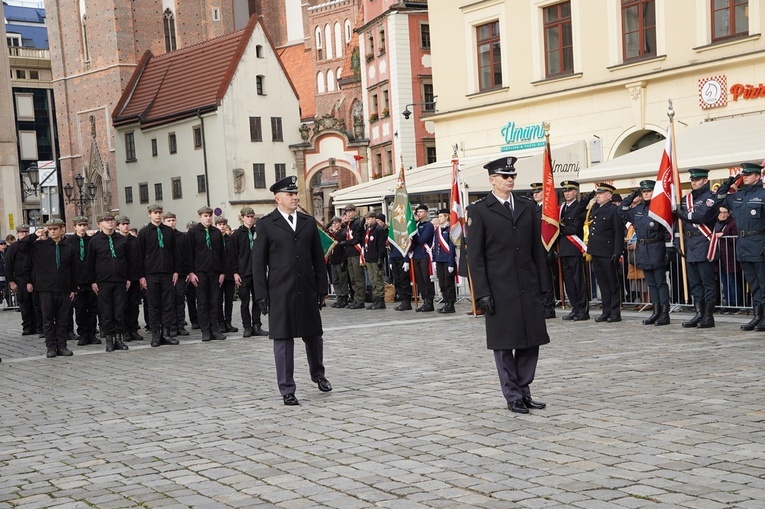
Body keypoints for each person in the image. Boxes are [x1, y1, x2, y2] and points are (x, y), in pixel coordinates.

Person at [467, 156, 550, 414]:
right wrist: (482, 292)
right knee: (504, 345)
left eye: (512, 176)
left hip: (527, 285)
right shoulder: (480, 210)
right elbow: (475, 257)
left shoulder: (526, 207)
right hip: (499, 289)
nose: (510, 180)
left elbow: (537, 249)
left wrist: (544, 285)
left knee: (530, 341)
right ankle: (512, 394)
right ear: (492, 180)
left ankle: (524, 391)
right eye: (505, 176)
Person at [252, 175, 332, 406]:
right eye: (290, 194)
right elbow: (258, 263)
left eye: (296, 194)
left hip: (306, 289)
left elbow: (318, 258)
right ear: (278, 198)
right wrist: (261, 295)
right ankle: (287, 388)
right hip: (280, 291)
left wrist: (321, 287)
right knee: (283, 340)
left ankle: (318, 374)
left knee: (314, 336)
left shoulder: (308, 222)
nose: (295, 197)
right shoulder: (266, 224)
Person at [716, 162, 765, 331]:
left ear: (758, 176)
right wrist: (729, 183)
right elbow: (719, 199)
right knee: (753, 284)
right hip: (743, 245)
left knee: (763, 284)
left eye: (748, 175)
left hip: (759, 244)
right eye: (743, 175)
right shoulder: (739, 195)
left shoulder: (763, 195)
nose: (745, 177)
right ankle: (757, 316)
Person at [18, 219, 77, 358]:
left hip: (63, 289)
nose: (53, 231)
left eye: (56, 229)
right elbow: (21, 247)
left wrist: (73, 289)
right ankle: (51, 347)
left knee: (63, 320)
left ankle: (62, 346)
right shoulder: (39, 246)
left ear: (62, 229)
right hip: (45, 289)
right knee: (48, 320)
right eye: (50, 229)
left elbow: (73, 270)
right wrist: (35, 235)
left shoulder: (69, 248)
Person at [619, 180, 671, 325]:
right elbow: (621, 211)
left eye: (649, 191)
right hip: (643, 248)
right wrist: (632, 196)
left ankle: (664, 313)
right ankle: (655, 312)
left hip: (657, 247)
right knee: (651, 284)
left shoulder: (659, 208)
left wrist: (668, 249)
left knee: (660, 283)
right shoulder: (638, 209)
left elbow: (667, 230)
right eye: (644, 192)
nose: (646, 194)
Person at [677, 168, 719, 328]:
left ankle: (708, 316)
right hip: (689, 244)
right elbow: (678, 224)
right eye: (692, 179)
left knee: (707, 282)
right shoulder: (685, 199)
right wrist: (677, 241)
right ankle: (699, 314)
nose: (694, 182)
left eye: (697, 179)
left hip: (703, 242)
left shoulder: (710, 198)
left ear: (705, 181)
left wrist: (683, 214)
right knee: (694, 283)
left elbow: (702, 217)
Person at [137, 203, 181, 347]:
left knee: (168, 304)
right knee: (153, 304)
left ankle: (166, 333)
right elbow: (139, 255)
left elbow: (175, 252)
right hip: (151, 273)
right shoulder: (144, 232)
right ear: (149, 214)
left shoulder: (168, 231)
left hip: (167, 272)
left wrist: (175, 271)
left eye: (159, 212)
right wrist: (142, 276)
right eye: (154, 212)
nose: (157, 215)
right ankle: (156, 334)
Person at [87, 212, 131, 352]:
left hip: (120, 280)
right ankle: (109, 339)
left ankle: (119, 339)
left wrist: (128, 278)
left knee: (119, 310)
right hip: (103, 281)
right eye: (106, 221)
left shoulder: (122, 239)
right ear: (100, 224)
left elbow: (129, 260)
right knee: (106, 311)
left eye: (111, 220)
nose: (110, 223)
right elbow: (90, 262)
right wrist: (93, 281)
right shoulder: (95, 241)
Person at [186, 207, 226, 342]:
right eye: (205, 215)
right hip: (200, 272)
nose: (208, 218)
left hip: (214, 272)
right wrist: (191, 272)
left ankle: (214, 329)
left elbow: (221, 253)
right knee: (202, 302)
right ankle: (205, 331)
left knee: (214, 302)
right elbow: (189, 253)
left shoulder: (216, 233)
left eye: (209, 215)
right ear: (200, 217)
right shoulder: (193, 232)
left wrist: (222, 272)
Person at [587, 183, 625, 323]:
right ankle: (606, 310)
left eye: (601, 194)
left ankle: (615, 312)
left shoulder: (614, 210)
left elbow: (618, 233)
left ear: (609, 196)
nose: (598, 196)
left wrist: (617, 251)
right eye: (597, 194)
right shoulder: (596, 209)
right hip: (596, 250)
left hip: (608, 252)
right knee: (602, 283)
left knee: (612, 283)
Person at [230, 207, 268, 337]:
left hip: (257, 272)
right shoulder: (236, 235)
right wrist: (235, 272)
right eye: (248, 217)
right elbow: (233, 255)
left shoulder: (259, 232)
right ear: (242, 218)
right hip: (243, 272)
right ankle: (247, 327)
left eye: (252, 217)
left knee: (258, 301)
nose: (250, 219)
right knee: (245, 302)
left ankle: (256, 325)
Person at [557, 181, 590, 321]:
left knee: (579, 281)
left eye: (570, 190)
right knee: (569, 282)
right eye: (565, 191)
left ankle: (583, 310)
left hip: (575, 249)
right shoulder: (561, 208)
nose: (567, 193)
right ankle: (575, 308)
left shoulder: (578, 207)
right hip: (564, 249)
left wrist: (559, 230)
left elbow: (575, 229)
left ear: (576, 192)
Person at [65, 216, 100, 346]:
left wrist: (94, 279)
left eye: (84, 225)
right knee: (80, 309)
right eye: (80, 225)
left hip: (90, 280)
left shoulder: (91, 241)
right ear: (74, 227)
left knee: (92, 308)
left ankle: (92, 333)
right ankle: (83, 334)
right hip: (77, 281)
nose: (82, 227)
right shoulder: (69, 242)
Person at [530, 183, 558, 319]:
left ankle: (549, 307)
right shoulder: (532, 208)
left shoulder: (547, 210)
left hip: (545, 248)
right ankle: (541, 305)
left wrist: (550, 249)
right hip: (535, 249)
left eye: (538, 191)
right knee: (537, 280)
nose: (535, 194)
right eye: (534, 192)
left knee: (546, 279)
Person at [162, 212, 190, 337]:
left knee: (180, 299)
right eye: (168, 221)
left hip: (182, 273)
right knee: (169, 300)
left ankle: (180, 325)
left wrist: (189, 271)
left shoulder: (182, 236)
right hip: (168, 273)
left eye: (173, 220)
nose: (171, 223)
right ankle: (171, 326)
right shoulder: (163, 235)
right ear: (164, 222)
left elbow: (187, 254)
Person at [5, 224, 36, 334]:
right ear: (17, 234)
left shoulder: (33, 245)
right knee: (25, 303)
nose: (24, 234)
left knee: (36, 303)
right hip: (20, 279)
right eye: (22, 232)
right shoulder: (14, 247)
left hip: (34, 278)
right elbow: (8, 265)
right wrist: (11, 282)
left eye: (26, 232)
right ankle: (27, 326)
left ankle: (37, 325)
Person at [117, 215, 143, 341]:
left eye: (127, 223)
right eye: (122, 224)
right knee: (123, 306)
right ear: (118, 226)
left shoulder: (135, 240)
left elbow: (139, 258)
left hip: (135, 277)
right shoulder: (116, 240)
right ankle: (125, 330)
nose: (125, 226)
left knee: (134, 305)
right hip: (122, 278)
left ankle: (133, 329)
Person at [715, 205, 740, 313]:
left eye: (725, 212)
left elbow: (735, 239)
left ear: (729, 213)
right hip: (720, 258)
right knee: (724, 282)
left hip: (730, 258)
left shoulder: (733, 223)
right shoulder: (715, 224)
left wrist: (723, 235)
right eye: (720, 212)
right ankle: (728, 303)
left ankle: (735, 304)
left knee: (732, 282)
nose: (722, 214)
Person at [215, 216, 238, 333]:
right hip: (218, 274)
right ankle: (220, 323)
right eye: (219, 224)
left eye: (224, 224)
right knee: (218, 300)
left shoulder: (231, 239)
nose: (222, 226)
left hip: (229, 274)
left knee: (229, 300)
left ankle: (228, 322)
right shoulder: (214, 239)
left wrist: (235, 272)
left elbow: (234, 257)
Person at [340, 205, 366, 309]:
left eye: (350, 211)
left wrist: (345, 243)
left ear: (355, 212)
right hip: (350, 253)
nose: (349, 214)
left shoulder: (357, 223)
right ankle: (356, 298)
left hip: (356, 252)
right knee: (353, 279)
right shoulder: (348, 224)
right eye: (347, 212)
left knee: (358, 278)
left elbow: (356, 239)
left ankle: (360, 300)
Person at [432, 208, 456, 313]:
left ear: (446, 217)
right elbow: (435, 244)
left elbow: (452, 247)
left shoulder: (451, 229)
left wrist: (451, 263)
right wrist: (434, 259)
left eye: (441, 216)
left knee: (448, 283)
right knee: (442, 283)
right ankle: (446, 302)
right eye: (438, 216)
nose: (439, 218)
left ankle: (450, 304)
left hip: (447, 260)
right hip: (439, 260)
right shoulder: (438, 229)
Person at [412, 204, 435, 312]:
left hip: (425, 255)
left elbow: (422, 240)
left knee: (427, 279)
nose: (418, 214)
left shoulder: (428, 225)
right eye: (418, 212)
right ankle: (424, 300)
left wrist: (414, 233)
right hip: (416, 255)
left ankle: (429, 302)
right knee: (420, 280)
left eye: (421, 212)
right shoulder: (416, 224)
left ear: (426, 213)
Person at [362, 211, 386, 310]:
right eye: (366, 219)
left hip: (376, 258)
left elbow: (381, 245)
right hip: (369, 258)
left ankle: (380, 300)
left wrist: (380, 258)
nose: (366, 221)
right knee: (372, 281)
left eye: (368, 219)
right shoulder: (368, 229)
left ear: (373, 218)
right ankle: (375, 299)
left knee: (378, 279)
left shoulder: (378, 229)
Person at [327, 216, 350, 308]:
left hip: (340, 259)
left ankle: (344, 297)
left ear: (340, 223)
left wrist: (343, 260)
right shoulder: (333, 234)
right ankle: (339, 296)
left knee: (342, 280)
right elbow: (326, 227)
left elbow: (342, 246)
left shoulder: (342, 233)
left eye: (336, 223)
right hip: (333, 260)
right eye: (333, 223)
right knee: (335, 281)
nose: (334, 225)